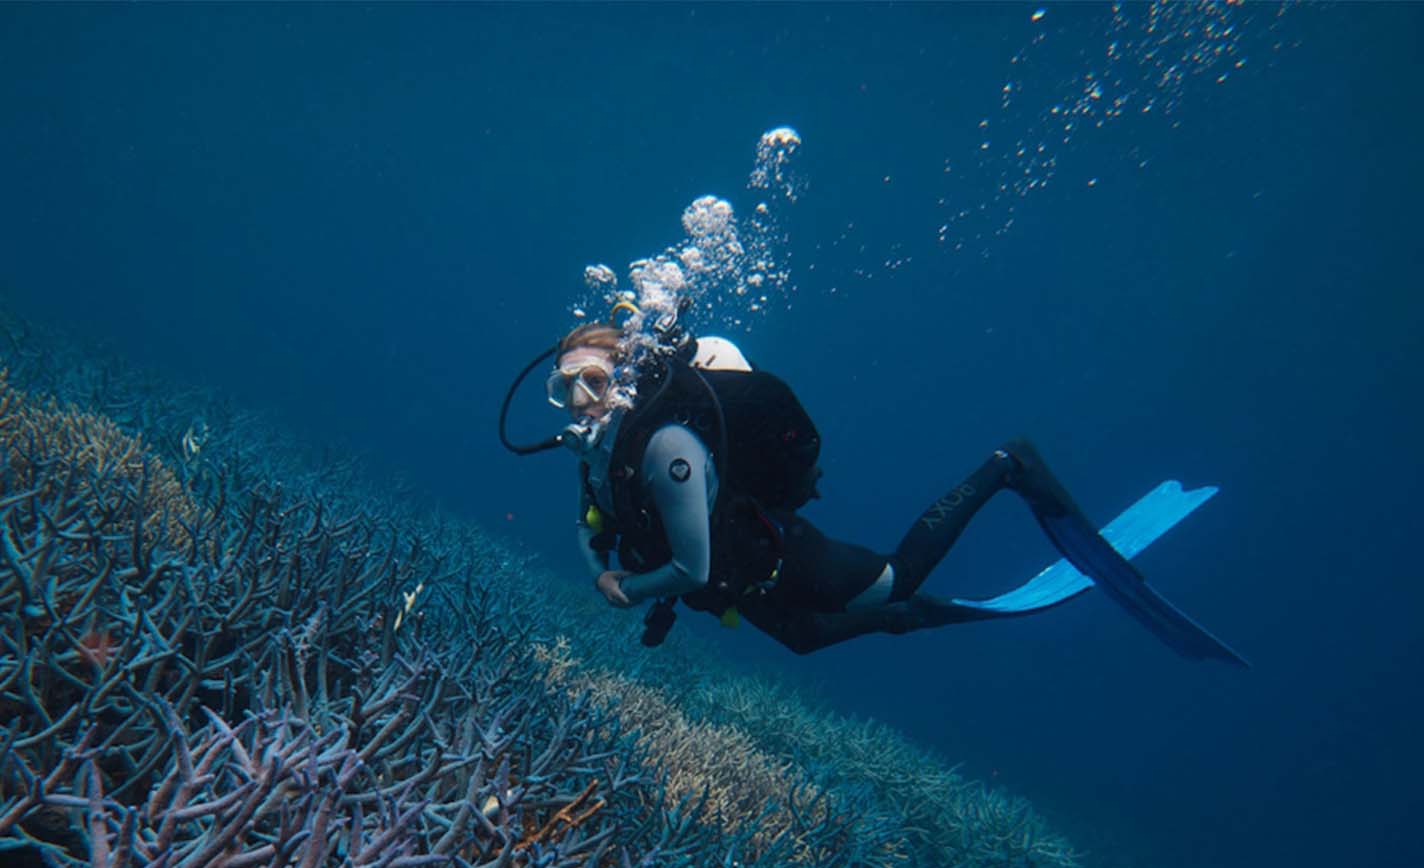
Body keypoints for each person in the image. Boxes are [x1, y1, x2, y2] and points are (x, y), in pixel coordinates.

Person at [526, 316, 1246, 663]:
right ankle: (910, 615)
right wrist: (604, 571)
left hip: (781, 558)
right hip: (746, 586)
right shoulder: (598, 453)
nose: (582, 400)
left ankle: (1006, 466)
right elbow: (595, 526)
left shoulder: (669, 450)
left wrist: (626, 591)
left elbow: (692, 567)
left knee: (898, 578)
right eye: (567, 388)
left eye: (595, 380)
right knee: (809, 641)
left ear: (623, 380)